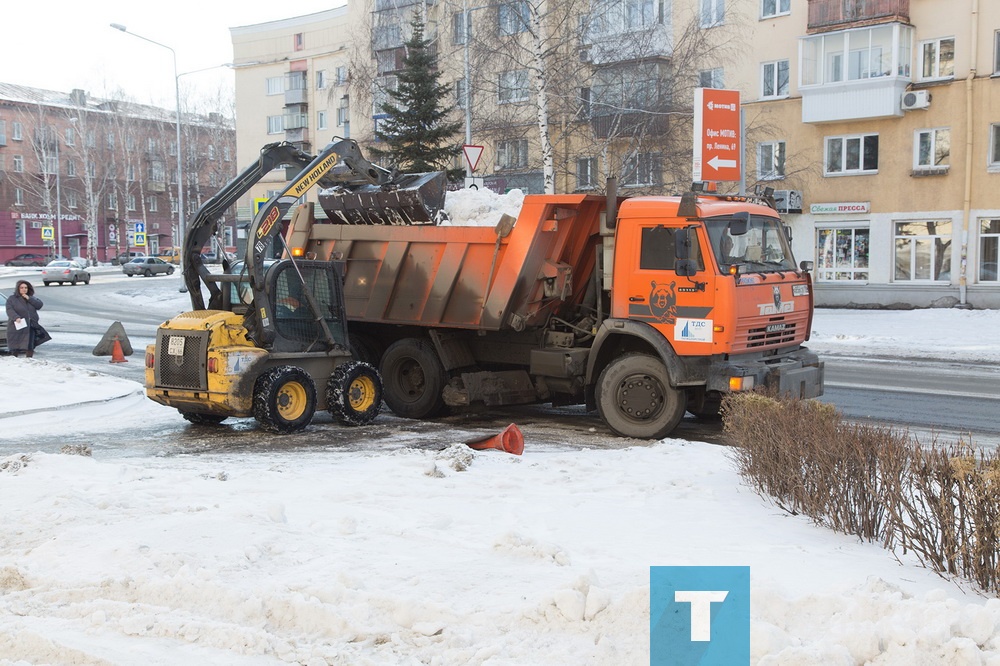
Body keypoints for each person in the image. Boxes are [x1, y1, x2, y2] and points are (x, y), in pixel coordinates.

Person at [5, 280, 51, 358]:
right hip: (17, 325)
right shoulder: (12, 299)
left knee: (30, 344)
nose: (24, 289)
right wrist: (16, 317)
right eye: (22, 288)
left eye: (26, 288)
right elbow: (9, 309)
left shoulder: (31, 298)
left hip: (30, 324)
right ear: (18, 289)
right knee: (15, 344)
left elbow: (39, 305)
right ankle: (14, 359)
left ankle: (29, 359)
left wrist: (29, 298)